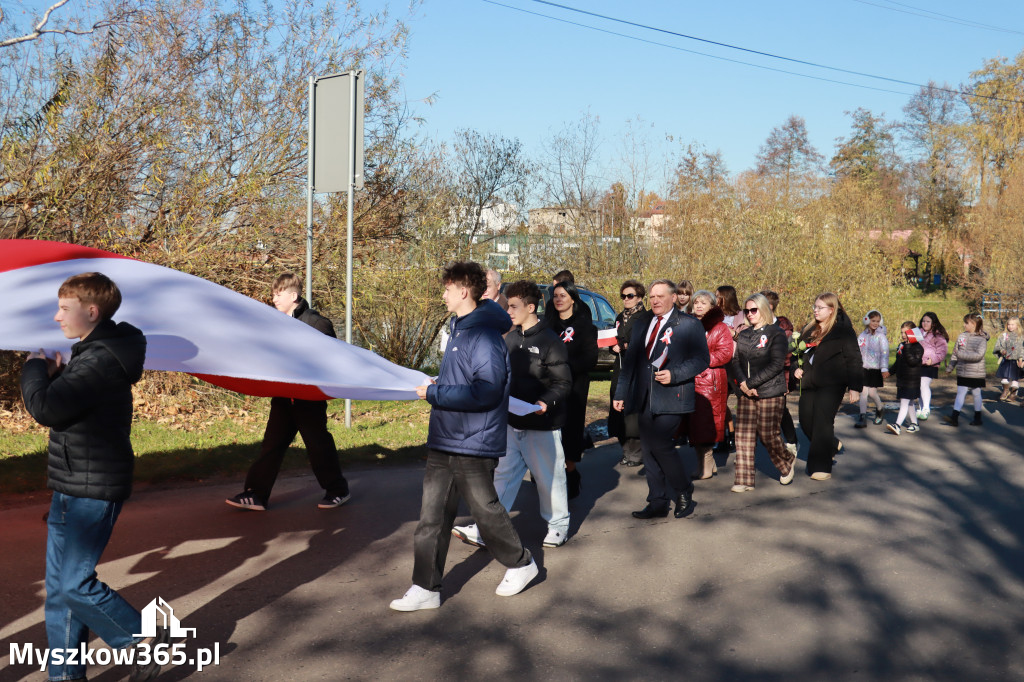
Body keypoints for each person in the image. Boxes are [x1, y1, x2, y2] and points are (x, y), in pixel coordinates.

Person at [21, 272, 168, 682]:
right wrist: (52, 376)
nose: (57, 317)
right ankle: (64, 677)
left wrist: (33, 369)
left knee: (74, 585)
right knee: (59, 592)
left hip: (93, 488)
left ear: (91, 311)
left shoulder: (100, 360)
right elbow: (69, 406)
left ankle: (142, 638)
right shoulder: (91, 355)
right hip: (71, 483)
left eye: (63, 309)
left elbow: (46, 409)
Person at [390, 262, 537, 612]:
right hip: (447, 437)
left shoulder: (482, 335)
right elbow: (464, 381)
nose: (443, 295)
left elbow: (487, 391)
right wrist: (439, 386)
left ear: (464, 291)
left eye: (447, 289)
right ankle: (425, 587)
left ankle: (521, 563)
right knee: (432, 517)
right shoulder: (460, 329)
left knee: (486, 512)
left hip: (474, 440)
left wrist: (436, 393)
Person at [452, 280, 573, 549]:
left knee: (549, 479)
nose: (508, 311)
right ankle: (488, 530)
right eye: (508, 306)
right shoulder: (510, 338)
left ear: (531, 307)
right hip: (511, 422)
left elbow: (563, 383)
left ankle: (558, 526)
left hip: (542, 424)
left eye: (514, 306)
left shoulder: (550, 341)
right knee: (502, 478)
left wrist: (545, 402)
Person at [227, 273, 350, 511]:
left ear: (293, 296)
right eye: (273, 294)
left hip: (308, 399)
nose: (274, 299)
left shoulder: (316, 323)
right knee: (271, 446)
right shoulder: (275, 323)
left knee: (318, 446)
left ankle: (338, 491)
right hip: (283, 398)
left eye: (278, 294)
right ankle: (256, 495)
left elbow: (332, 359)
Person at [613, 280, 710, 519]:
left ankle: (683, 489)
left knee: (660, 443)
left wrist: (674, 374)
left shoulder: (688, 324)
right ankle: (657, 502)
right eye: (652, 296)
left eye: (660, 296)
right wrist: (621, 393)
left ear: (673, 297)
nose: (655, 300)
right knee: (648, 450)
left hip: (672, 396)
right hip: (644, 396)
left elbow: (701, 360)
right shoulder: (643, 322)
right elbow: (631, 362)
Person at [729, 293, 797, 492]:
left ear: (764, 309)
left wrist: (751, 383)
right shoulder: (744, 334)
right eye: (746, 311)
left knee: (768, 435)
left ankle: (786, 461)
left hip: (770, 391)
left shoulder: (777, 333)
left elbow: (776, 364)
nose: (749, 314)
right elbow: (736, 361)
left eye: (754, 310)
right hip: (746, 392)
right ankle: (743, 480)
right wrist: (743, 384)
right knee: (743, 436)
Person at [793, 293, 863, 481]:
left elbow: (854, 358)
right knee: (806, 421)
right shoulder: (809, 329)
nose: (815, 310)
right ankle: (831, 445)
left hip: (833, 383)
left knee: (822, 422)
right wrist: (795, 369)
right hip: (809, 382)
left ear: (831, 310)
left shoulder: (843, 331)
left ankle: (820, 466)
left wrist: (855, 387)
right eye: (814, 306)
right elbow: (797, 355)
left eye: (820, 307)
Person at [544, 280, 597, 499]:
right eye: (555, 296)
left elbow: (590, 360)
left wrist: (561, 369)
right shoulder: (547, 326)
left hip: (574, 388)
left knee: (570, 433)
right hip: (549, 388)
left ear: (573, 299)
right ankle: (548, 478)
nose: (558, 299)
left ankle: (571, 474)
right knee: (549, 434)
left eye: (563, 296)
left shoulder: (585, 327)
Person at [687, 290, 733, 480]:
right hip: (690, 379)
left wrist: (700, 360)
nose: (698, 306)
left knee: (706, 423)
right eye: (696, 302)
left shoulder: (720, 327)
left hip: (710, 381)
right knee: (694, 425)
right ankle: (703, 463)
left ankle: (707, 463)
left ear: (712, 306)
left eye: (703, 303)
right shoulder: (688, 324)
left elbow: (725, 353)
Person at [609, 279, 649, 467]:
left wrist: (626, 346)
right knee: (618, 412)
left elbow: (646, 343)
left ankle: (637, 453)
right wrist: (613, 347)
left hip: (637, 369)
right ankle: (626, 450)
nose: (626, 299)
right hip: (620, 368)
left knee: (633, 412)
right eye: (623, 296)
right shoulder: (619, 317)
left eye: (630, 296)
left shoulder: (645, 318)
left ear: (639, 297)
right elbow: (614, 338)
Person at [761, 290, 799, 458]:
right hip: (761, 377)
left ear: (769, 306)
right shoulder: (756, 325)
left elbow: (787, 356)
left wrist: (786, 382)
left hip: (780, 377)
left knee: (781, 410)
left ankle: (791, 441)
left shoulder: (783, 328)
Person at [942, 313, 989, 427]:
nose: (964, 325)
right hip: (962, 371)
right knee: (960, 392)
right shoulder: (961, 336)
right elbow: (955, 353)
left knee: (976, 394)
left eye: (966, 323)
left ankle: (977, 418)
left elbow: (978, 356)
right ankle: (954, 417)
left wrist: (961, 355)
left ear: (974, 324)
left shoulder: (982, 339)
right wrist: (950, 367)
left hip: (976, 373)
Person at [714, 285, 742, 454]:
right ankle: (726, 436)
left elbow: (748, 338)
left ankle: (741, 437)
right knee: (720, 402)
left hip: (735, 363)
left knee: (743, 400)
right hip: (719, 362)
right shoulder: (714, 315)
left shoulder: (741, 315)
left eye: (718, 296)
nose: (715, 298)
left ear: (727, 297)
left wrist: (734, 335)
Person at [886, 321, 924, 435]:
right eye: (902, 332)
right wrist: (890, 372)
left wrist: (907, 347)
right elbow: (898, 362)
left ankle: (897, 425)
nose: (903, 335)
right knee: (910, 402)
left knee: (904, 402)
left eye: (906, 333)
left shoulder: (918, 348)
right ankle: (915, 424)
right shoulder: (901, 346)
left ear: (913, 333)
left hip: (912, 381)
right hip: (902, 379)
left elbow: (912, 362)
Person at [855, 310, 889, 428]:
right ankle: (862, 416)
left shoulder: (881, 336)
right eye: (873, 321)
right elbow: (858, 350)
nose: (875, 323)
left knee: (872, 393)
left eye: (878, 321)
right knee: (863, 392)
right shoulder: (862, 335)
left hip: (875, 368)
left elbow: (885, 353)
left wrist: (884, 368)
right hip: (864, 368)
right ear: (867, 320)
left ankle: (880, 408)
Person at [915, 312, 949, 421]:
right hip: (917, 364)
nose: (925, 323)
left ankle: (926, 408)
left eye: (928, 321)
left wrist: (933, 360)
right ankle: (921, 408)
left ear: (933, 323)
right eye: (923, 321)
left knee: (923, 384)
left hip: (930, 365)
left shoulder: (938, 335)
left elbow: (942, 352)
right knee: (919, 386)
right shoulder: (917, 332)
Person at [994, 316, 1023, 402]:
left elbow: (1022, 348)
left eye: (1012, 324)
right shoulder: (1004, 335)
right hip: (1006, 360)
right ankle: (1005, 391)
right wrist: (1001, 350)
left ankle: (1014, 393)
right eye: (1009, 324)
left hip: (1017, 361)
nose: (1010, 326)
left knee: (1015, 378)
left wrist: (1021, 358)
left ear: (1017, 325)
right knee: (1004, 378)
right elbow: (998, 345)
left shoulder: (1021, 336)